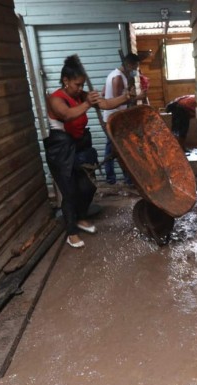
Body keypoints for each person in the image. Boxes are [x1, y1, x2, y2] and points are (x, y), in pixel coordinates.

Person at [45, 55, 132, 248]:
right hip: (60, 150)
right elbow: (67, 115)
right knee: (69, 192)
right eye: (77, 84)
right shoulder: (56, 99)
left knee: (88, 187)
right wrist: (87, 103)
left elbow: (106, 104)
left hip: (77, 147)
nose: (80, 88)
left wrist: (126, 97)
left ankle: (80, 217)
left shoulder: (80, 95)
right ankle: (71, 232)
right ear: (66, 81)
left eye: (82, 84)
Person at [102, 53, 146, 184]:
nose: (135, 70)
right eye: (134, 67)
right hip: (115, 119)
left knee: (113, 149)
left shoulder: (113, 75)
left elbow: (104, 93)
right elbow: (117, 100)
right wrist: (137, 98)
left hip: (113, 118)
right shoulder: (118, 78)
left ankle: (114, 179)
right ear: (128, 64)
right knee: (119, 150)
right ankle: (119, 179)